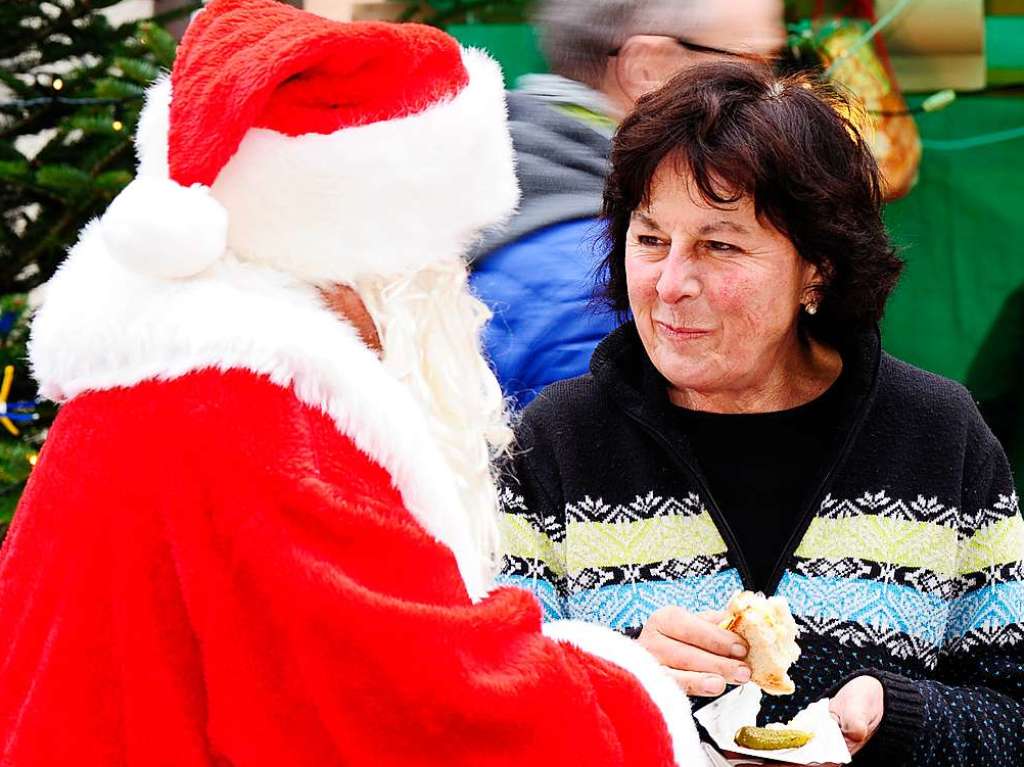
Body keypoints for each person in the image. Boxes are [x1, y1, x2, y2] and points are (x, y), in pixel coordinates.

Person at [0, 2, 708, 764]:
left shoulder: (169, 386)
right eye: (438, 264)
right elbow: (417, 705)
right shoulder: (254, 415)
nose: (459, 301)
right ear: (366, 267)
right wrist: (636, 694)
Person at [498, 61, 1024, 767]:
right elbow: (489, 714)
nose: (671, 284)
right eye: (651, 239)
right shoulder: (554, 441)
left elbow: (1014, 710)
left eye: (718, 245)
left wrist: (896, 714)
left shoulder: (938, 434)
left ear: (819, 268)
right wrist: (619, 675)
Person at [469, 0, 785, 407]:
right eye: (752, 63)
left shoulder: (508, 181)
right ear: (648, 68)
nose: (775, 89)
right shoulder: (606, 281)